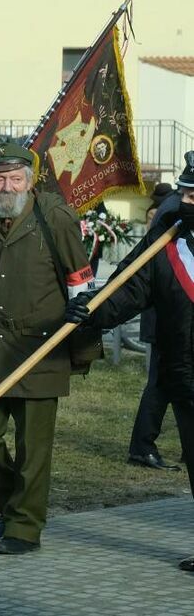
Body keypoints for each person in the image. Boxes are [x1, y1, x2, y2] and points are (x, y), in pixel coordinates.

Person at [0, 141, 94, 556]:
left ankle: (24, 529)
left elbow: (80, 278)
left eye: (16, 179)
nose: (7, 187)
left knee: (33, 448)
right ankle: (14, 507)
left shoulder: (55, 217)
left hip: (40, 350)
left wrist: (81, 316)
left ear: (30, 182)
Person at [66, 150, 194, 572]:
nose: (188, 204)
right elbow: (129, 289)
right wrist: (92, 310)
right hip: (184, 372)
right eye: (187, 193)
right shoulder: (166, 242)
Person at [127, 185, 180, 471]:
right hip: (167, 317)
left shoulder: (173, 206)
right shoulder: (175, 210)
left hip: (174, 317)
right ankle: (142, 447)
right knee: (161, 384)